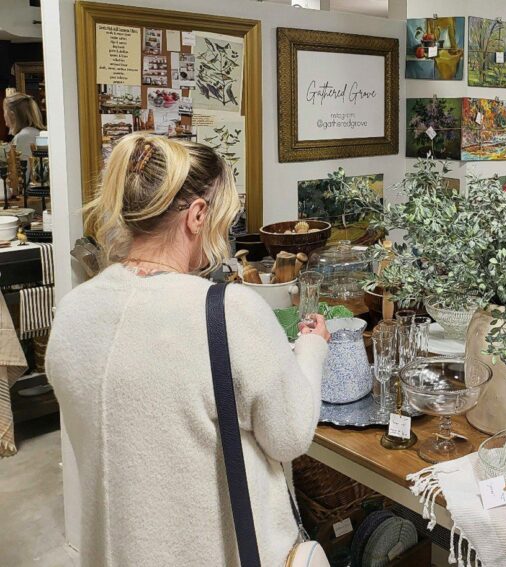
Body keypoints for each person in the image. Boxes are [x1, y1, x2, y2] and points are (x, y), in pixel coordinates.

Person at [47, 132, 330, 566]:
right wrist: (311, 349)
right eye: (224, 218)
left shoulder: (73, 312)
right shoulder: (227, 313)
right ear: (197, 216)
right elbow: (289, 436)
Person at [2, 92, 45, 160]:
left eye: (4, 111)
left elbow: (26, 169)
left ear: (12, 115)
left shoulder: (24, 136)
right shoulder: (28, 132)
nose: (3, 115)